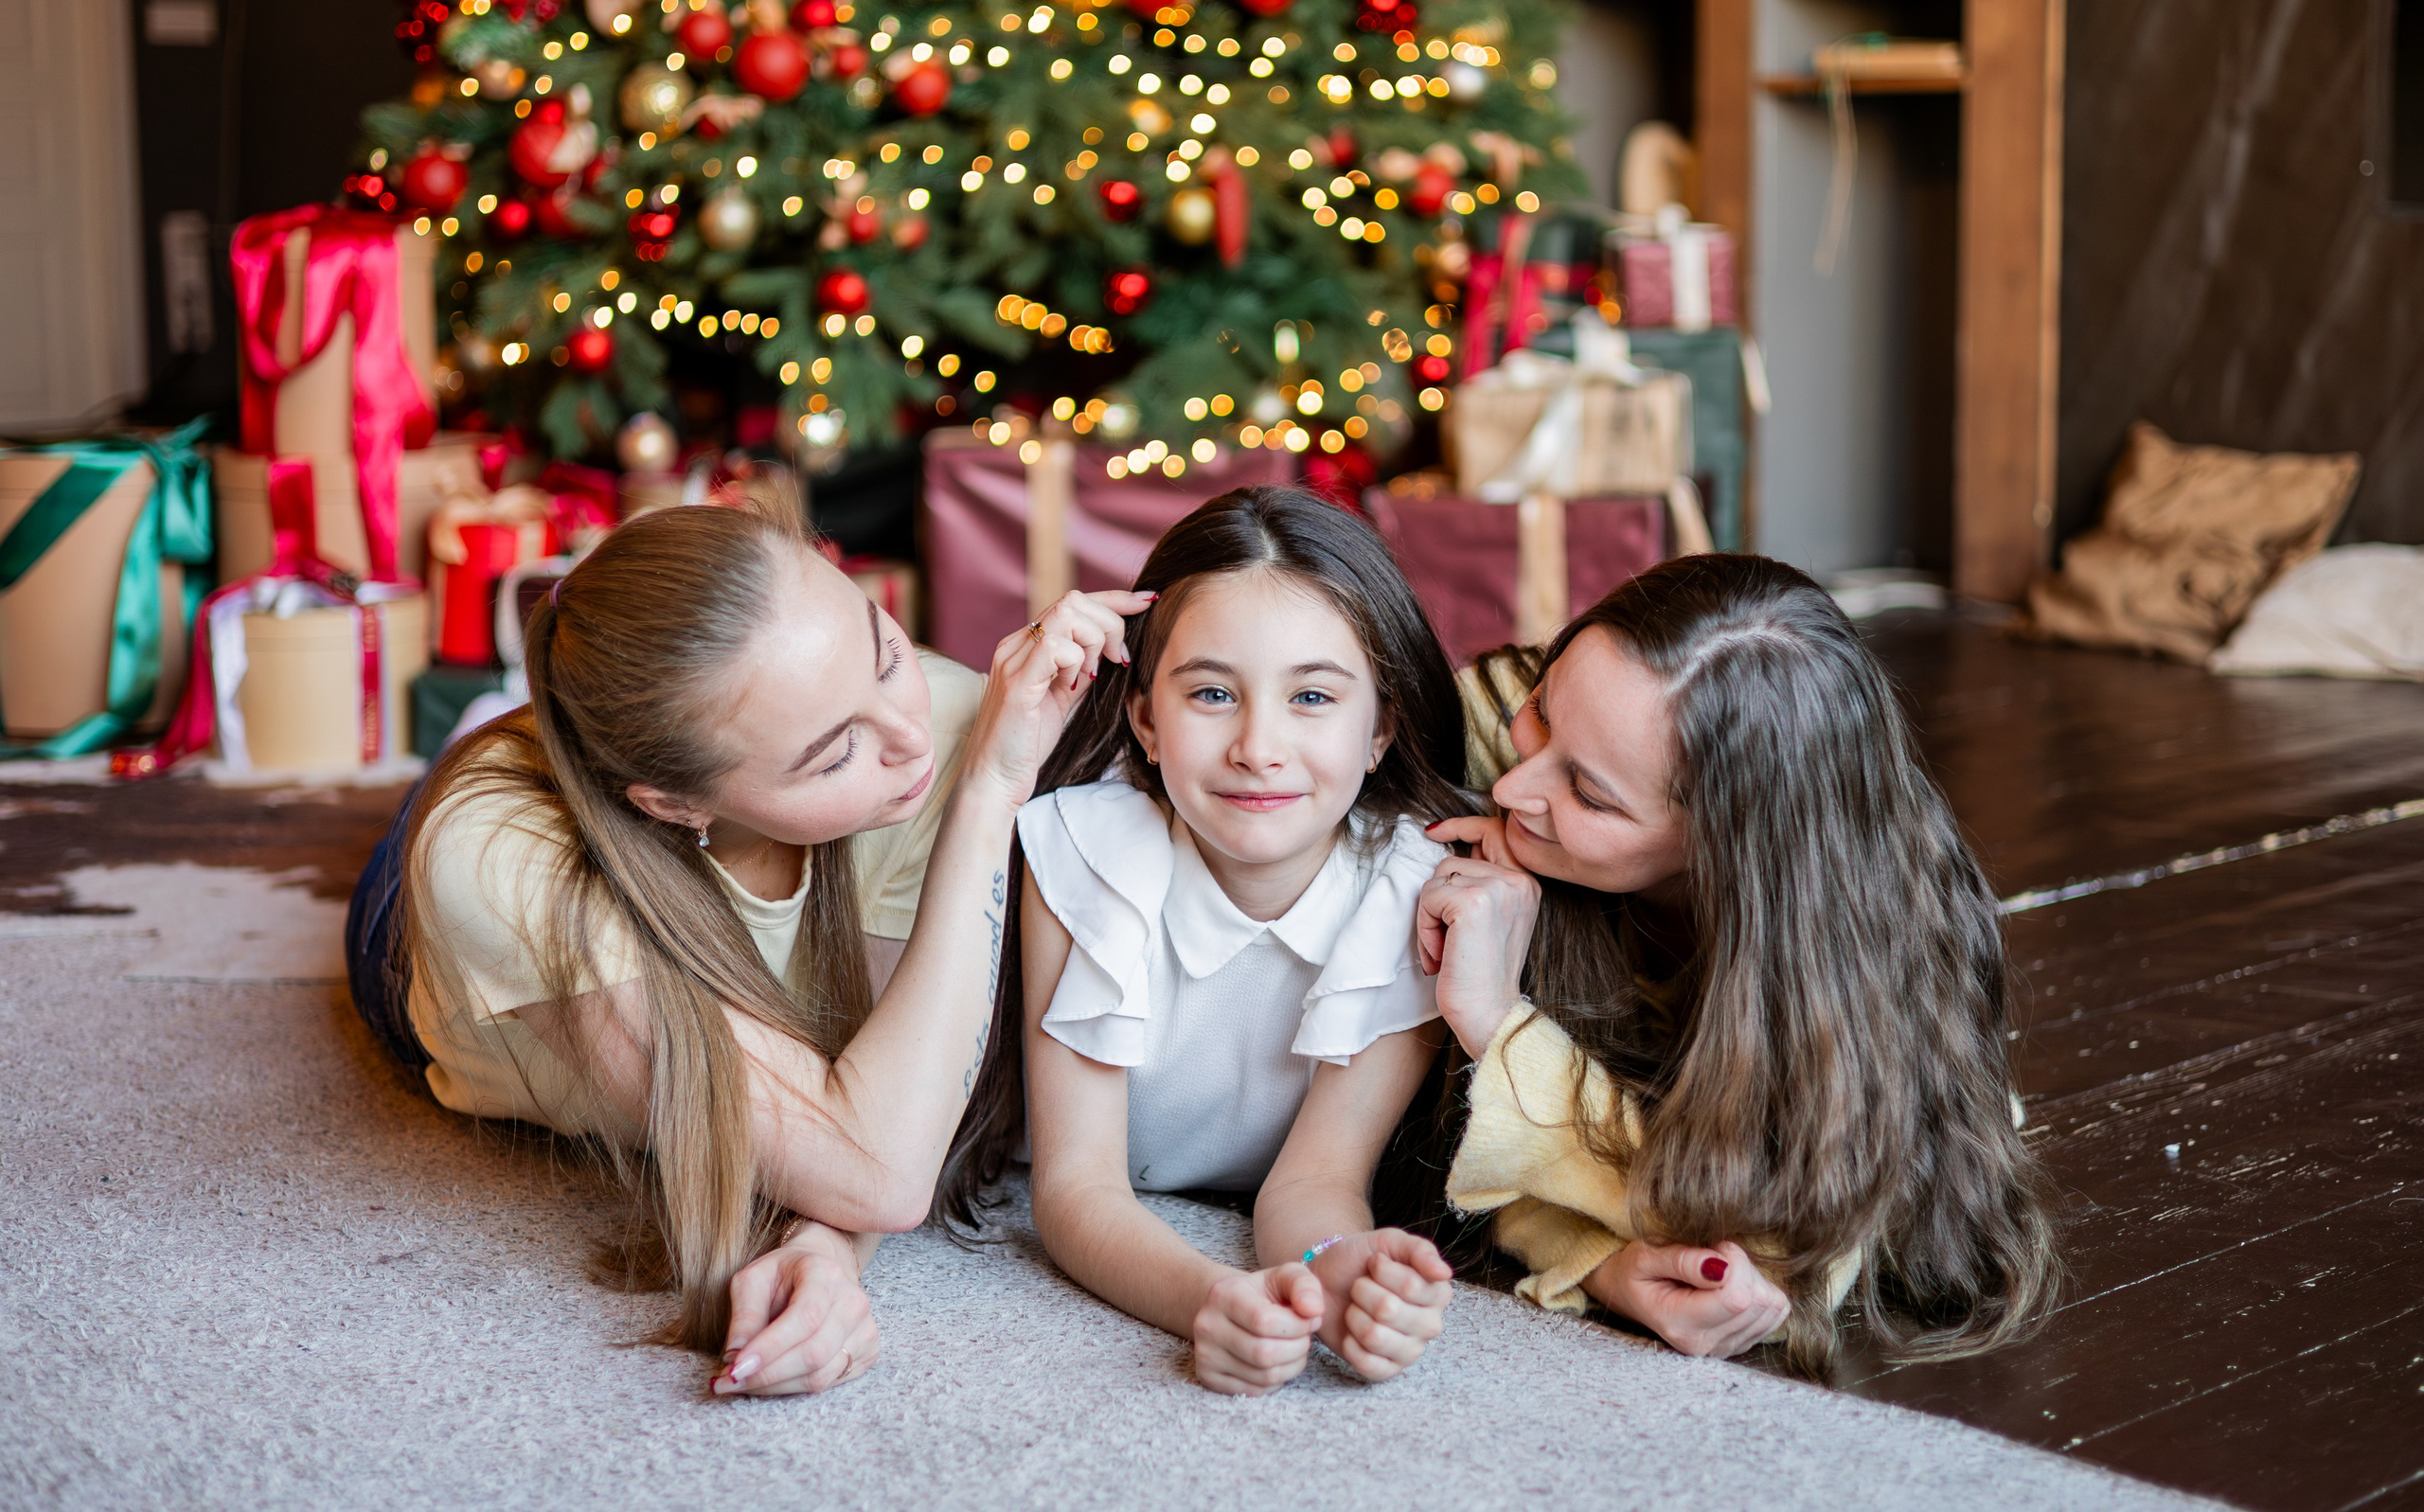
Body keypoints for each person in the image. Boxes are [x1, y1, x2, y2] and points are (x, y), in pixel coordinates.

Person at [344, 498, 1147, 1396]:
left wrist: (824, 1247)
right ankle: (516, 725)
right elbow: (875, 1169)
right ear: (675, 804)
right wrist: (993, 795)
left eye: (885, 653)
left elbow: (895, 1106)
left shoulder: (955, 723)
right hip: (432, 929)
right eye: (834, 750)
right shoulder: (496, 860)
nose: (909, 739)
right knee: (435, 826)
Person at [1418, 554, 2057, 1374]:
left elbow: (1789, 1231)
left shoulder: (1867, 926)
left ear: (1726, 847)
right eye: (1543, 710)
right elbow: (1419, 1137)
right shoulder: (1477, 728)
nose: (1514, 787)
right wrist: (1596, 1254)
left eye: (1591, 795)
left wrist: (1499, 1029)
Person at [1009, 489, 1468, 1395]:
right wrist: (1219, 1296)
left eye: (1312, 697)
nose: (1260, 746)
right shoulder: (1087, 847)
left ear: (1379, 727)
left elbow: (1313, 1178)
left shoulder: (1410, 888)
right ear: (1144, 718)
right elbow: (1076, 1191)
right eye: (1213, 693)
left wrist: (1333, 1268)